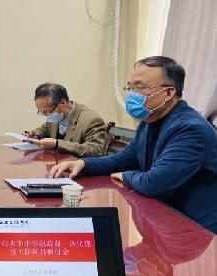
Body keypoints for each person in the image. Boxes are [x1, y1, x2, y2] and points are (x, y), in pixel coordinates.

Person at [50, 56, 217, 232]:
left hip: (195, 230)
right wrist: (83, 164)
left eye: (139, 87)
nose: (131, 94)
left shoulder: (189, 129)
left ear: (169, 93)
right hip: (161, 218)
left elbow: (154, 183)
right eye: (129, 87)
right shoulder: (149, 121)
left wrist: (126, 176)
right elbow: (124, 159)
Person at [24, 83, 108, 157]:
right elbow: (45, 129)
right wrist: (35, 135)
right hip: (56, 164)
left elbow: (96, 150)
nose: (47, 116)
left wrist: (57, 144)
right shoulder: (55, 116)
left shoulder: (90, 119)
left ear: (63, 103)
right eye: (42, 112)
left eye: (48, 112)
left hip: (78, 167)